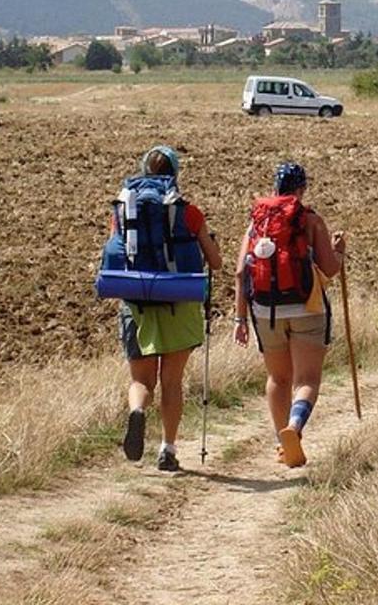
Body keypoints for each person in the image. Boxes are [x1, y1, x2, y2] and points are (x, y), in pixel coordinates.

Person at [113, 145, 222, 472]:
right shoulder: (188, 212)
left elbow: (118, 254)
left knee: (142, 380)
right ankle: (168, 450)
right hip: (179, 301)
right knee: (171, 381)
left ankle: (137, 411)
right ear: (174, 174)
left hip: (137, 303)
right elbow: (215, 262)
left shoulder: (125, 210)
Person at [232, 162, 346, 468]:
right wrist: (340, 252)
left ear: (274, 188)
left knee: (277, 378)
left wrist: (240, 319)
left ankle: (282, 445)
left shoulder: (257, 223)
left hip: (265, 310)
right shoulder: (309, 219)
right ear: (301, 189)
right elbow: (330, 269)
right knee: (306, 379)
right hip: (307, 308)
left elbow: (242, 271)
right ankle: (294, 428)